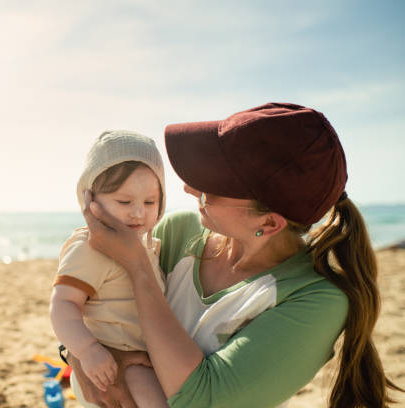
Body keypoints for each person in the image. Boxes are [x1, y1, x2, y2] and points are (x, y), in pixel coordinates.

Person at [69, 103, 403, 407]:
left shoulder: (314, 301)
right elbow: (99, 304)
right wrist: (81, 353)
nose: (189, 188)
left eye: (212, 186)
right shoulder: (179, 231)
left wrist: (139, 267)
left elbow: (203, 399)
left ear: (269, 222)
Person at [49, 130, 169, 408]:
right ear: (90, 199)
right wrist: (87, 350)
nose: (138, 212)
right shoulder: (90, 247)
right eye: (124, 202)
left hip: (142, 357)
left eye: (150, 202)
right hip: (107, 363)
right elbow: (63, 303)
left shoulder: (150, 246)